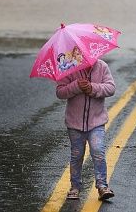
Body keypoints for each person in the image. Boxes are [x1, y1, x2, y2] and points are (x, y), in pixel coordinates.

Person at [56, 59, 116, 201]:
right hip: (74, 124)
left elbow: (111, 88)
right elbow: (60, 92)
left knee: (98, 151)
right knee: (77, 155)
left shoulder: (102, 66)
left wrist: (92, 88)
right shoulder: (69, 68)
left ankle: (102, 186)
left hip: (97, 122)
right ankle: (75, 187)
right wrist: (76, 86)